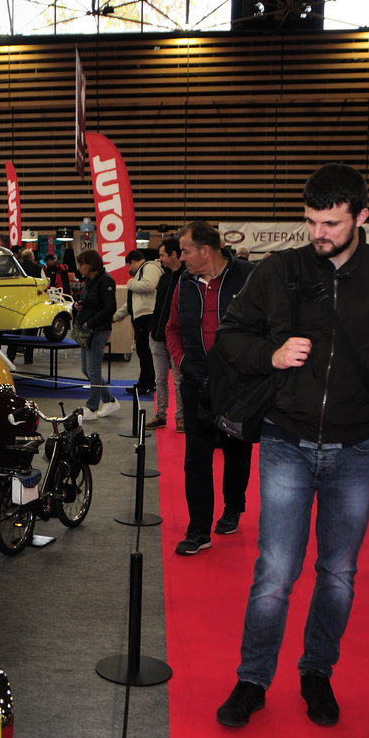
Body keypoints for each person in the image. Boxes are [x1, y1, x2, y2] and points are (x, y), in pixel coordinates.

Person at [211, 163, 369, 729]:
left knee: (338, 573)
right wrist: (272, 355)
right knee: (275, 572)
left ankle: (317, 672)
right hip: (287, 439)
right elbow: (230, 337)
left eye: (331, 223)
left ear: (362, 217)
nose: (318, 233)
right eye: (310, 221)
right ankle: (252, 679)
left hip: (360, 449)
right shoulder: (279, 270)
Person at [165, 221, 256, 555]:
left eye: (185, 251)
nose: (181, 257)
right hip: (196, 382)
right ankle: (198, 530)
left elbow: (268, 326)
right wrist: (182, 362)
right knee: (197, 457)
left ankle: (233, 506)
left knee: (237, 449)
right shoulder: (184, 282)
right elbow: (172, 328)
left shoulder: (248, 276)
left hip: (237, 384)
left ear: (206, 250)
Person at [73, 249, 119, 420]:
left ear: (91, 264)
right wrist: (79, 305)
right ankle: (109, 400)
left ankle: (92, 408)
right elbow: (92, 303)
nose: (79, 267)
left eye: (81, 264)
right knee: (87, 369)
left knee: (93, 370)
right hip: (88, 330)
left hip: (98, 330)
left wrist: (89, 324)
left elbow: (110, 308)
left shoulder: (106, 281)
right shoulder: (90, 280)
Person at [146, 236, 184, 432]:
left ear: (173, 254)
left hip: (177, 338)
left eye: (162, 255)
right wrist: (152, 328)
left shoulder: (187, 278)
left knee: (179, 380)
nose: (159, 259)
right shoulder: (164, 277)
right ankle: (160, 415)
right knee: (160, 379)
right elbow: (158, 306)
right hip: (157, 336)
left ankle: (181, 417)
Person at [113, 249, 162, 395]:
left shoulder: (149, 267)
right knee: (144, 351)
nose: (129, 270)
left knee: (145, 351)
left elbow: (149, 285)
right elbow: (131, 303)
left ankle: (144, 384)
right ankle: (150, 382)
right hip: (143, 316)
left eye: (129, 266)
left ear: (133, 262)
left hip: (147, 316)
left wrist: (130, 283)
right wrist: (116, 316)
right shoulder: (142, 273)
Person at [7, 249, 45, 364]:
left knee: (15, 331)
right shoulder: (38, 268)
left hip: (18, 303)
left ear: (21, 257)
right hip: (32, 303)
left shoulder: (14, 268)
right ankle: (28, 358)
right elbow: (44, 284)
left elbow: (9, 283)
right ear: (32, 258)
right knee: (31, 331)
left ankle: (10, 356)